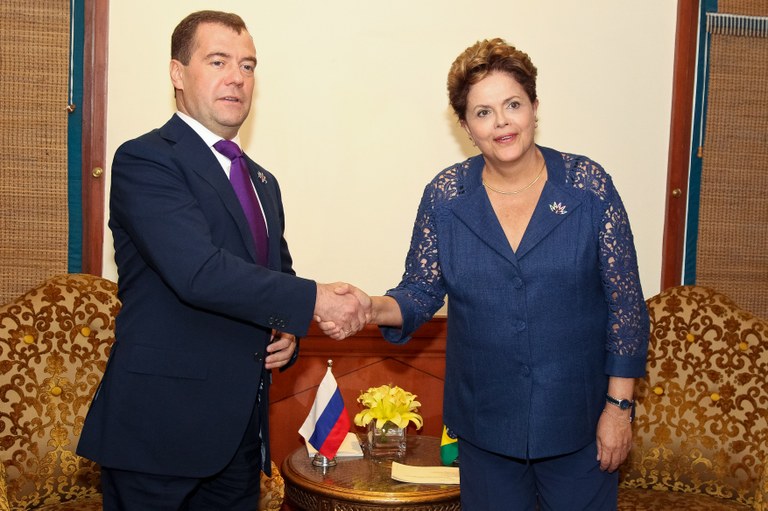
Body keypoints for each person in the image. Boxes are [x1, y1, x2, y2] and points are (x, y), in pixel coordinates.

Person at [322, 38, 650, 510]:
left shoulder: (587, 186)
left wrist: (619, 410)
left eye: (513, 104)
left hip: (579, 425)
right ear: (465, 126)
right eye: (483, 112)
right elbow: (420, 291)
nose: (501, 122)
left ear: (535, 107)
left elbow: (626, 307)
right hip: (485, 429)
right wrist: (370, 307)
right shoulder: (446, 197)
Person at [77, 10, 367, 510]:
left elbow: (276, 277)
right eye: (218, 61)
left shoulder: (262, 181)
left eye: (249, 66)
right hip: (157, 437)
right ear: (177, 73)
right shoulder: (145, 160)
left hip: (238, 440)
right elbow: (198, 273)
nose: (237, 77)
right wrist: (315, 299)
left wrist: (288, 334)